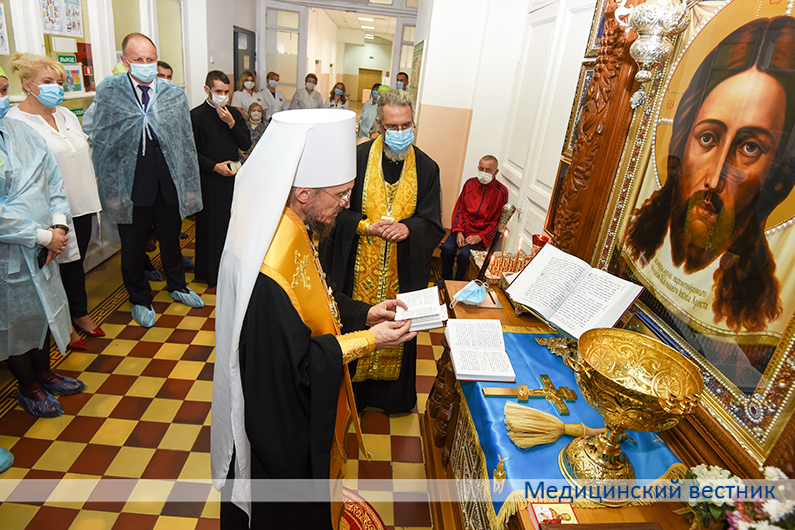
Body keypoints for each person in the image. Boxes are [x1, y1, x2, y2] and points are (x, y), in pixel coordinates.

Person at [211, 109, 416, 530]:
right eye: (340, 194)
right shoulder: (271, 261)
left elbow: (316, 295)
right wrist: (369, 340)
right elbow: (298, 362)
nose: (346, 204)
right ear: (303, 191)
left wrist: (363, 312)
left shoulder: (289, 221)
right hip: (278, 425)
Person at [624, 17, 795, 333]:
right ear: (682, 138)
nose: (714, 180)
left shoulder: (758, 311)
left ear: (779, 173)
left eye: (750, 148)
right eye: (707, 138)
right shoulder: (642, 242)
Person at [321, 89, 445, 414]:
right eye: (394, 127)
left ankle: (391, 400)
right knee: (356, 321)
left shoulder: (428, 168)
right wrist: (365, 226)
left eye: (407, 126)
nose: (401, 133)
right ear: (379, 124)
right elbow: (333, 211)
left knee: (399, 330)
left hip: (401, 272)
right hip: (356, 264)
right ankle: (353, 397)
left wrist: (409, 229)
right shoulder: (357, 159)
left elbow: (432, 223)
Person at [85, 33, 204, 328]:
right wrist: (110, 190)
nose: (146, 65)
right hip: (131, 187)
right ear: (125, 61)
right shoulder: (111, 92)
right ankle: (139, 298)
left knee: (171, 240)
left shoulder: (173, 94)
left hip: (168, 184)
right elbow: (103, 144)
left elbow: (185, 144)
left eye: (150, 59)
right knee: (134, 247)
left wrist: (188, 186)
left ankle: (177, 285)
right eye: (138, 60)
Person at [0, 66, 87, 418]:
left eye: (3, 89)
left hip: (47, 242)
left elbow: (54, 180)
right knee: (15, 319)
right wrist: (43, 236)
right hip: (12, 249)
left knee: (43, 311)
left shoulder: (21, 130)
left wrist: (59, 226)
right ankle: (28, 386)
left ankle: (45, 373)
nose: (2, 98)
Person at [8, 53, 105, 350]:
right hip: (48, 211)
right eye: (47, 81)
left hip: (83, 201)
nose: (56, 87)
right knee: (52, 271)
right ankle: (62, 328)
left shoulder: (66, 114)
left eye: (59, 82)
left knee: (76, 264)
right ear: (26, 84)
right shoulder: (16, 121)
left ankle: (79, 314)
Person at [190, 70, 251, 288]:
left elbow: (245, 144)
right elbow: (191, 153)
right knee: (210, 226)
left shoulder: (234, 113)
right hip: (209, 179)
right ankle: (210, 273)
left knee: (232, 225)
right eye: (218, 91)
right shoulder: (196, 116)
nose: (222, 95)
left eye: (226, 91)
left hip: (233, 179)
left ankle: (231, 271)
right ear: (207, 90)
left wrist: (232, 123)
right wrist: (214, 167)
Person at [441, 155, 508, 280]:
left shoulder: (501, 192)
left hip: (479, 234)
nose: (484, 173)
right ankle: (445, 279)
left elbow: (498, 222)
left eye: (488, 170)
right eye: (481, 168)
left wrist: (480, 237)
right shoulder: (470, 184)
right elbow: (459, 210)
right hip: (463, 228)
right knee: (447, 248)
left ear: (496, 172)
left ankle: (458, 284)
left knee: (465, 256)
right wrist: (459, 231)